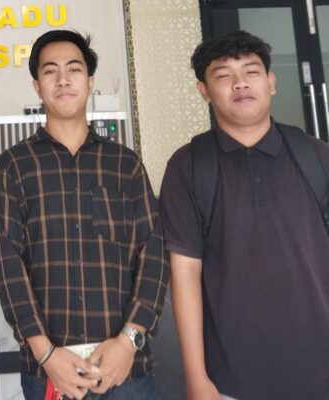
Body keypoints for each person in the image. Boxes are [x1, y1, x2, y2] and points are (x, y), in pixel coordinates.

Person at [0, 30, 168, 400]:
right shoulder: (15, 165)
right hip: (50, 369)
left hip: (125, 368)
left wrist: (129, 340)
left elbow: (153, 254)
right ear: (37, 86)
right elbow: (7, 263)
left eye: (74, 69)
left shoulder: (125, 164)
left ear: (89, 82)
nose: (63, 79)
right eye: (50, 71)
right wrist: (46, 353)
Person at [159, 30, 329, 400]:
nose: (240, 83)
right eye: (223, 75)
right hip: (230, 382)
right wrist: (196, 377)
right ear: (203, 90)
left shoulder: (316, 156)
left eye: (251, 72)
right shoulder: (188, 167)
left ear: (271, 82)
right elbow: (184, 273)